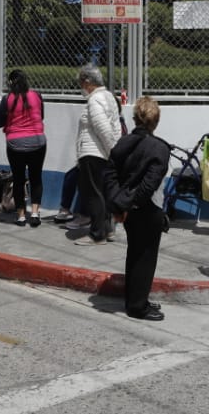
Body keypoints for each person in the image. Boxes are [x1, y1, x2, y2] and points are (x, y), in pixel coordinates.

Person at [108, 95, 171, 321]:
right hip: (146, 207)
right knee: (145, 257)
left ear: (135, 118)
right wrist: (131, 204)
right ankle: (137, 305)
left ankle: (136, 298)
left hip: (128, 207)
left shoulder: (122, 143)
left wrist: (119, 203)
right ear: (155, 121)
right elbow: (149, 185)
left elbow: (111, 174)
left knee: (134, 254)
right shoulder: (159, 148)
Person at [73, 63, 122, 245]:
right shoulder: (108, 97)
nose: (81, 87)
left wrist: (112, 152)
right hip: (103, 153)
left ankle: (97, 234)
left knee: (93, 194)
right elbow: (113, 128)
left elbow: (102, 128)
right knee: (102, 193)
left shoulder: (95, 100)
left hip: (94, 153)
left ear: (88, 82)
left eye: (81, 83)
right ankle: (107, 229)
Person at [0, 69, 47, 227]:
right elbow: (41, 116)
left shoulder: (7, 99)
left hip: (15, 144)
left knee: (18, 179)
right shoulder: (37, 96)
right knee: (36, 178)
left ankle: (20, 216)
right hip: (38, 142)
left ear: (11, 83)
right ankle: (35, 213)